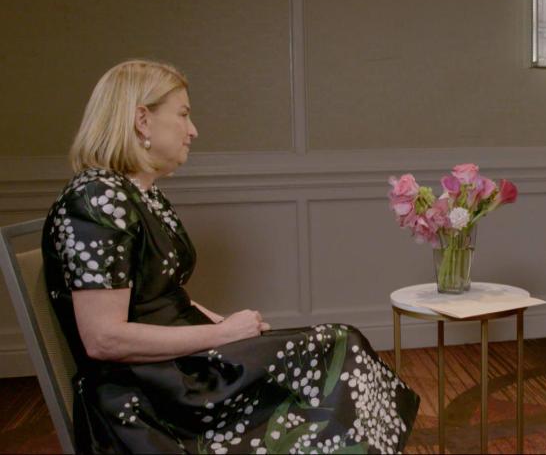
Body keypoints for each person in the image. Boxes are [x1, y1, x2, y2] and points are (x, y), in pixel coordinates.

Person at [42, 59, 419, 453]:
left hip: (179, 370)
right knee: (337, 348)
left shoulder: (140, 194)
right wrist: (223, 334)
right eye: (183, 114)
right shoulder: (95, 198)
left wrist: (224, 324)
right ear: (142, 120)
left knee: (335, 347)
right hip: (151, 396)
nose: (193, 130)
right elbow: (104, 339)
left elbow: (160, 295)